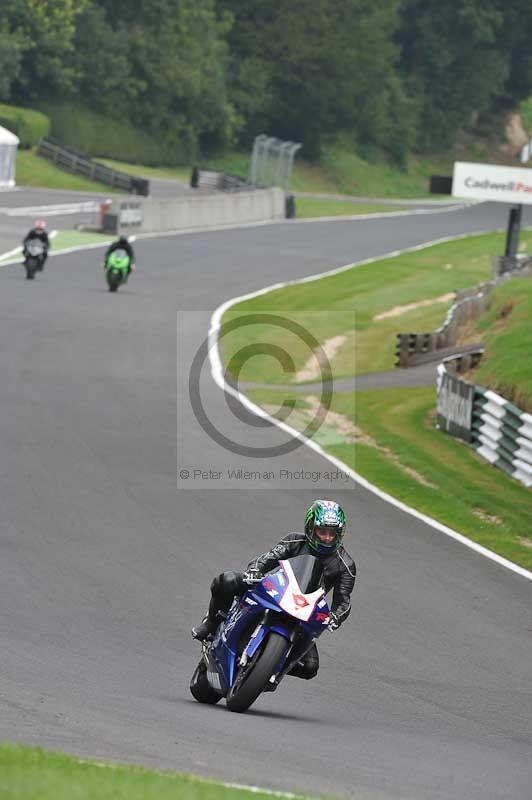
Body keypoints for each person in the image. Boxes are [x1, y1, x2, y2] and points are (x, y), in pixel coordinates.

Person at [191, 499, 356, 680]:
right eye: (322, 531)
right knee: (227, 580)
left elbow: (343, 602)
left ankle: (269, 669)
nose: (326, 538)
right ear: (310, 528)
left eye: (332, 534)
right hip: (274, 590)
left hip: (305, 609)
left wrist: (334, 617)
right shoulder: (295, 540)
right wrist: (255, 571)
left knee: (310, 667)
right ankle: (211, 625)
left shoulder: (345, 564)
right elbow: (268, 558)